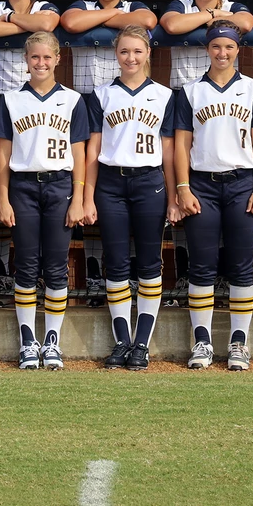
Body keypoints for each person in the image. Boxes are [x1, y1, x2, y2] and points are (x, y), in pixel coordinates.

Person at [157, 0, 253, 307]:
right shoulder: (179, 5)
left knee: (236, 243)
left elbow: (245, 20)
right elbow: (171, 25)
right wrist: (215, 17)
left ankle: (228, 283)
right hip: (186, 93)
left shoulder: (234, 6)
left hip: (226, 106)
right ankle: (187, 276)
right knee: (191, 201)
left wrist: (210, 18)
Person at [61, 0, 158, 306]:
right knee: (95, 203)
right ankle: (98, 280)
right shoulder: (81, 5)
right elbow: (72, 22)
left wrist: (104, 20)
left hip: (132, 103)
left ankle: (132, 281)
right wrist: (115, 18)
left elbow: (147, 19)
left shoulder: (136, 6)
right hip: (90, 99)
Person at [174, 21, 253, 371]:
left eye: (228, 47)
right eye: (216, 46)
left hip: (242, 182)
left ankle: (239, 344)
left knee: (241, 265)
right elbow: (181, 144)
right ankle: (202, 342)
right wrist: (182, 188)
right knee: (201, 266)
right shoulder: (189, 91)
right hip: (202, 184)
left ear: (237, 49)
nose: (222, 52)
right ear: (207, 49)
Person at [83, 25, 178, 370]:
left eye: (137, 51)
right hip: (110, 183)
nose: (131, 58)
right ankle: (122, 340)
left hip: (149, 182)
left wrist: (174, 194)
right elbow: (92, 149)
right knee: (117, 262)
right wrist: (88, 195)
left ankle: (142, 344)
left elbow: (169, 152)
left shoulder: (166, 96)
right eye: (124, 51)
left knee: (150, 263)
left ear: (148, 53)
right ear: (115, 54)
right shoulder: (101, 94)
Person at [0, 31, 88, 370]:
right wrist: (1, 198)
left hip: (60, 185)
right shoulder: (10, 100)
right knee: (27, 264)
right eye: (35, 57)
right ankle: (27, 342)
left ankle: (52, 342)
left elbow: (80, 154)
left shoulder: (74, 101)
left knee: (56, 265)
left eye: (47, 57)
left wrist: (78, 198)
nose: (41, 63)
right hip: (22, 186)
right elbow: (3, 155)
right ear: (26, 59)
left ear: (58, 59)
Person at [0, 0, 61, 307]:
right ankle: (5, 271)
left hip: (36, 102)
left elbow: (48, 27)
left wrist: (9, 20)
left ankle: (35, 272)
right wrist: (24, 24)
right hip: (0, 100)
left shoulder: (45, 4)